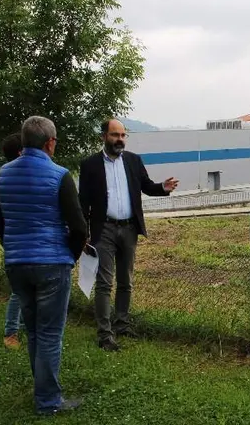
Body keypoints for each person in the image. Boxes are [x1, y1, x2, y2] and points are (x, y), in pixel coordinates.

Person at [0, 116, 88, 415]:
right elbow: (79, 227)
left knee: (33, 330)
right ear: (49, 142)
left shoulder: (3, 174)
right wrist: (69, 257)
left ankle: (43, 390)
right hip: (51, 263)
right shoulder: (59, 175)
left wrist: (15, 246)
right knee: (49, 334)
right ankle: (48, 401)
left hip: (17, 264)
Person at [79, 119, 179, 351]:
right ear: (103, 137)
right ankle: (105, 334)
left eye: (123, 135)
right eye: (115, 135)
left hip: (129, 229)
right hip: (103, 229)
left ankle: (122, 324)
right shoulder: (90, 165)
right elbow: (83, 201)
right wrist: (83, 233)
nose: (120, 140)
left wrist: (161, 188)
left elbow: (145, 186)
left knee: (126, 281)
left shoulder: (133, 160)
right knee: (105, 282)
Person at [0, 132, 24, 350]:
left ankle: (23, 326)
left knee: (26, 289)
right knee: (19, 290)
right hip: (18, 243)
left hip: (17, 242)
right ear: (21, 152)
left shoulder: (4, 176)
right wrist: (8, 238)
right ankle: (11, 332)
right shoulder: (6, 177)